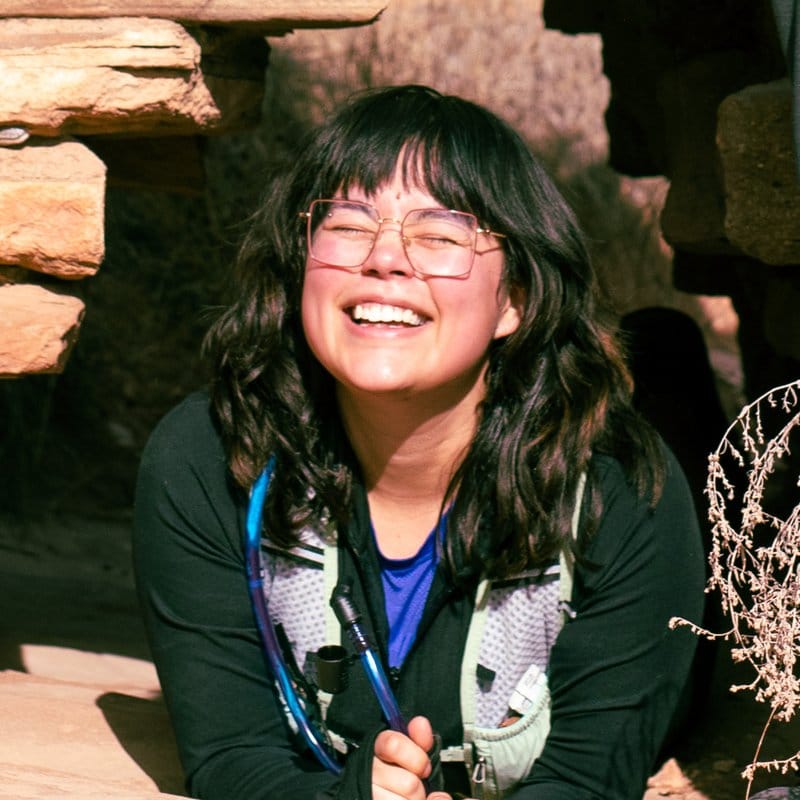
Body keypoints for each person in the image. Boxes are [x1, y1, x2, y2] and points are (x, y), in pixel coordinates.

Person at [133, 84, 705, 800]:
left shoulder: (622, 489)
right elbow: (229, 755)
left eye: (439, 236)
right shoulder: (212, 457)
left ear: (515, 299)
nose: (385, 258)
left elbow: (586, 782)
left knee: (667, 356)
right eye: (348, 225)